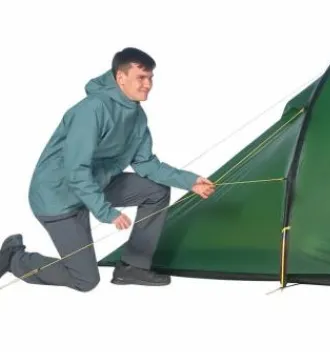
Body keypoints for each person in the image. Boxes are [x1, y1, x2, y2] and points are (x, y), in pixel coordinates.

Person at [0, 48, 215, 291]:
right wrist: (106, 212)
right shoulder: (92, 109)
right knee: (85, 280)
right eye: (141, 77)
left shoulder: (137, 116)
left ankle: (133, 266)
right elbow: (76, 171)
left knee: (156, 191)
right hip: (58, 197)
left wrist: (190, 181)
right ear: (121, 77)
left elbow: (146, 163)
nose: (147, 85)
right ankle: (14, 258)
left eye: (150, 78)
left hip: (96, 183)